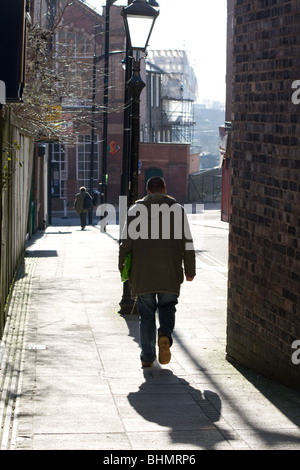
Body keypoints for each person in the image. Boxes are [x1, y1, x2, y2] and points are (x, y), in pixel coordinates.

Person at [119, 176, 196, 368]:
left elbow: (126, 244)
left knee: (145, 313)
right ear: (164, 189)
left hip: (142, 271)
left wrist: (122, 268)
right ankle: (165, 335)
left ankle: (147, 356)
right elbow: (187, 243)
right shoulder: (177, 210)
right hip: (169, 270)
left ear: (147, 191)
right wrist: (190, 269)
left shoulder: (135, 210)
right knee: (168, 307)